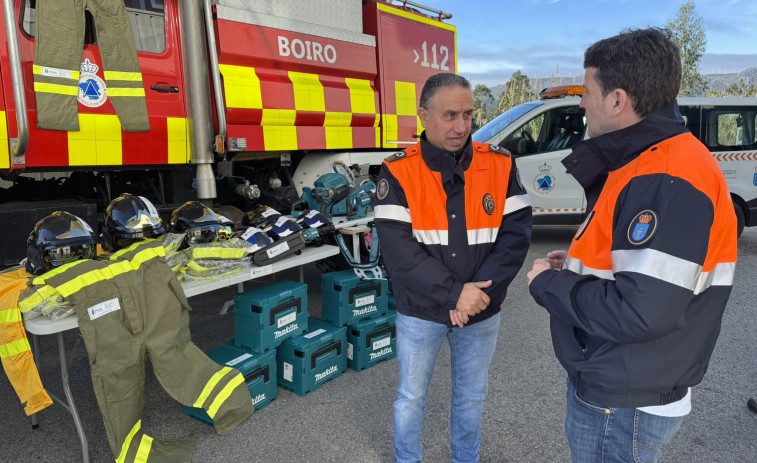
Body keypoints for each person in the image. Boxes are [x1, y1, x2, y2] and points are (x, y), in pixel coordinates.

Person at [527, 28, 738, 463]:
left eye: (587, 92)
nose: (582, 103)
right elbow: (642, 270)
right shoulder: (649, 162)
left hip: (624, 397)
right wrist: (578, 265)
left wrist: (548, 284)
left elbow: (641, 310)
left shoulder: (666, 175)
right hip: (623, 380)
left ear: (618, 100)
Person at [374, 73, 532, 462]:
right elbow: (398, 252)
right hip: (422, 311)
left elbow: (516, 237)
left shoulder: (499, 164)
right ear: (424, 116)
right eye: (449, 115)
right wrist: (455, 293)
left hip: (480, 309)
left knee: (471, 397)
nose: (461, 126)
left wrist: (477, 296)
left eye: (467, 114)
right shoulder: (397, 172)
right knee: (411, 397)